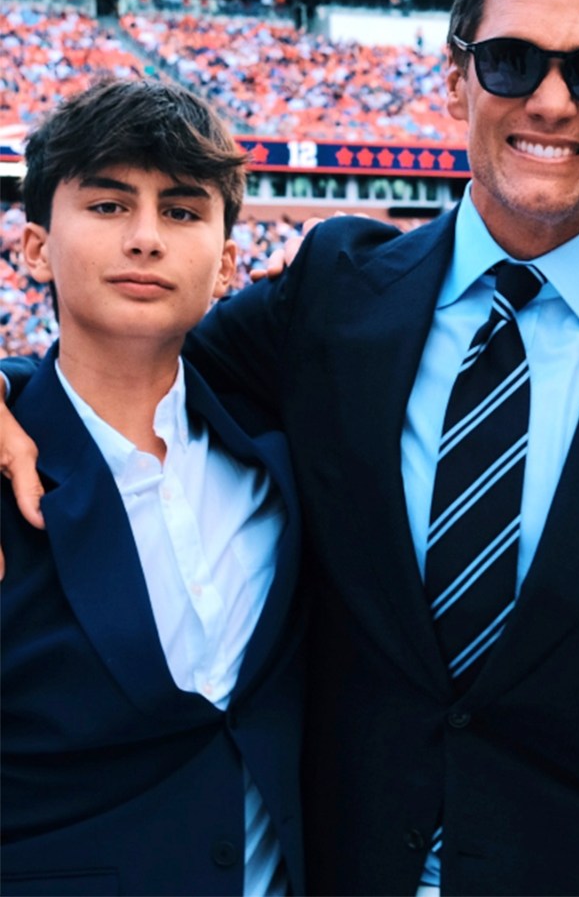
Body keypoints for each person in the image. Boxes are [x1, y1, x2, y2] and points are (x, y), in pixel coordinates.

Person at [1, 0, 579, 896]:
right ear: (456, 71)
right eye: (511, 60)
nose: (551, 102)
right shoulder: (337, 294)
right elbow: (132, 361)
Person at [0, 78, 307, 896]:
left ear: (229, 261)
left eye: (180, 211)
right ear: (33, 249)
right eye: (107, 206)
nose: (145, 238)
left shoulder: (280, 451)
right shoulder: (10, 469)